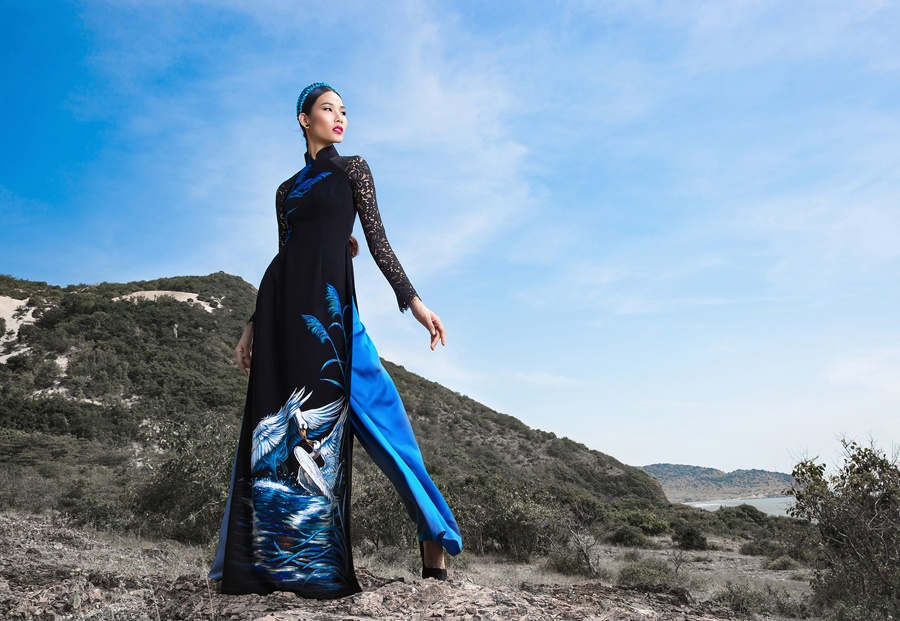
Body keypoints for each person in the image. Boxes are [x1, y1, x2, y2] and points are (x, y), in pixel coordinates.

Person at [208, 82, 462, 598]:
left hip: (334, 315)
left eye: (344, 110)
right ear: (305, 119)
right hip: (282, 313)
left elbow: (377, 240)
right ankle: (281, 559)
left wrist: (414, 302)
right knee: (280, 427)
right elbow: (285, 253)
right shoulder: (285, 191)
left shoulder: (353, 169)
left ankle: (433, 533)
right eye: (328, 108)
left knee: (386, 420)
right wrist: (252, 325)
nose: (339, 117)